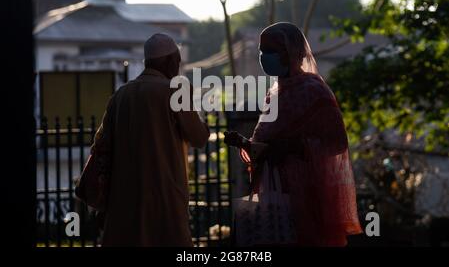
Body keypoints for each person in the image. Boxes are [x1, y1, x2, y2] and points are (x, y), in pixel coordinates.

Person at [224, 22, 362, 246]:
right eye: (262, 51)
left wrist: (294, 146)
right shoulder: (275, 94)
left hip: (307, 196)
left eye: (270, 51)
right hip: (274, 197)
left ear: (291, 53)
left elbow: (336, 143)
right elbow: (265, 148)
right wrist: (244, 143)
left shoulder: (314, 91)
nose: (263, 57)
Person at [92, 33, 210, 246]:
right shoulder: (175, 91)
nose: (178, 66)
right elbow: (199, 138)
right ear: (168, 61)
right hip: (163, 195)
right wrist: (205, 125)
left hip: (123, 199)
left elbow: (102, 145)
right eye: (177, 60)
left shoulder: (121, 95)